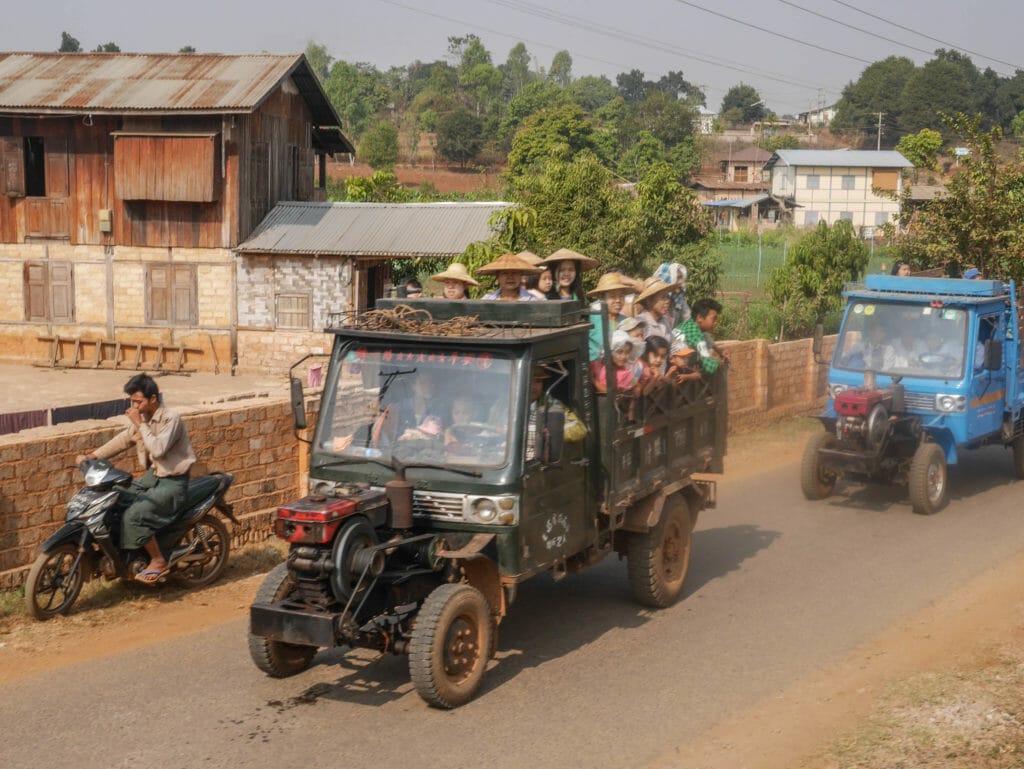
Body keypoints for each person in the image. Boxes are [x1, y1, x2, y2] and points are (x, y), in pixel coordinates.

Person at [74, 373, 196, 585]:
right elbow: (123, 440)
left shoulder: (170, 419)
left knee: (134, 515)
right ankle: (127, 555)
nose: (134, 406)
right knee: (115, 499)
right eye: (132, 401)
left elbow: (158, 450)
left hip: (173, 483)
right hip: (153, 477)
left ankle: (158, 560)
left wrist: (140, 424)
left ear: (153, 399)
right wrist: (92, 456)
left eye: (138, 401)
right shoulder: (144, 420)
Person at [526, 367, 587, 461]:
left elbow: (579, 428)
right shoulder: (504, 403)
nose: (534, 387)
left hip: (535, 460)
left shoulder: (551, 404)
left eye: (538, 381)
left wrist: (547, 435)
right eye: (529, 381)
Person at [587, 272, 634, 360]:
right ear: (602, 298)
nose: (618, 300)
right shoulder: (591, 319)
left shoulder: (627, 322)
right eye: (612, 296)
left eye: (621, 296)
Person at [673, 298, 724, 375]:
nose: (715, 323)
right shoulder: (696, 335)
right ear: (700, 318)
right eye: (713, 319)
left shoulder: (686, 324)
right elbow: (709, 367)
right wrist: (719, 362)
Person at [477, 253, 542, 301]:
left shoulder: (532, 300)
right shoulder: (487, 299)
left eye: (515, 273)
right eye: (505, 273)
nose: (510, 277)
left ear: (521, 275)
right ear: (498, 277)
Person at [636, 276, 680, 341]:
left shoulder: (664, 320)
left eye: (667, 297)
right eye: (662, 297)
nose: (667, 301)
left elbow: (672, 343)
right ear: (649, 301)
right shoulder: (641, 323)